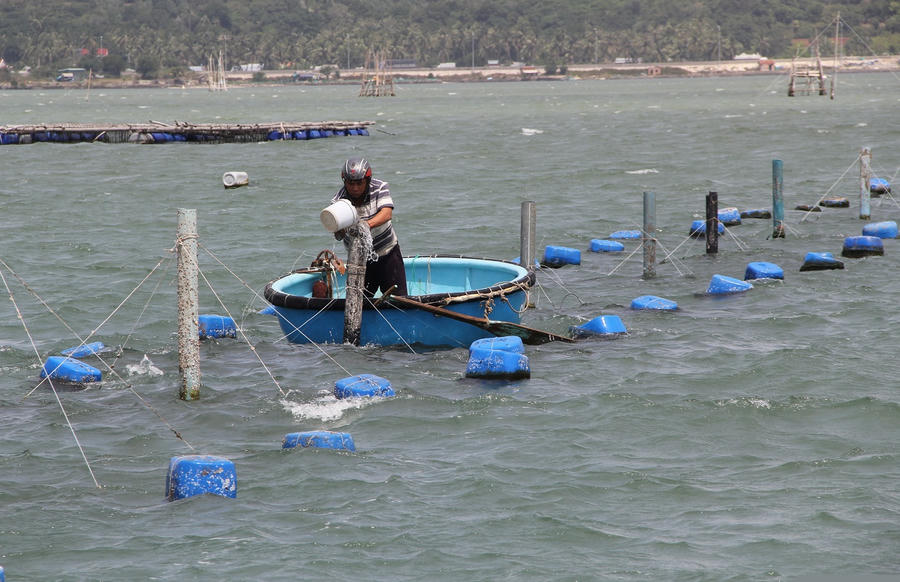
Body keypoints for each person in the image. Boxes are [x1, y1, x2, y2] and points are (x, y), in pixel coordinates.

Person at [332, 157, 408, 298]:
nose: (355, 188)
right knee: (357, 301)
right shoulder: (339, 201)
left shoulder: (379, 188)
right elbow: (338, 234)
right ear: (345, 182)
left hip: (388, 254)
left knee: (399, 300)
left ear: (367, 180)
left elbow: (386, 214)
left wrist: (366, 225)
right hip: (359, 260)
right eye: (350, 183)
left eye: (359, 183)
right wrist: (338, 228)